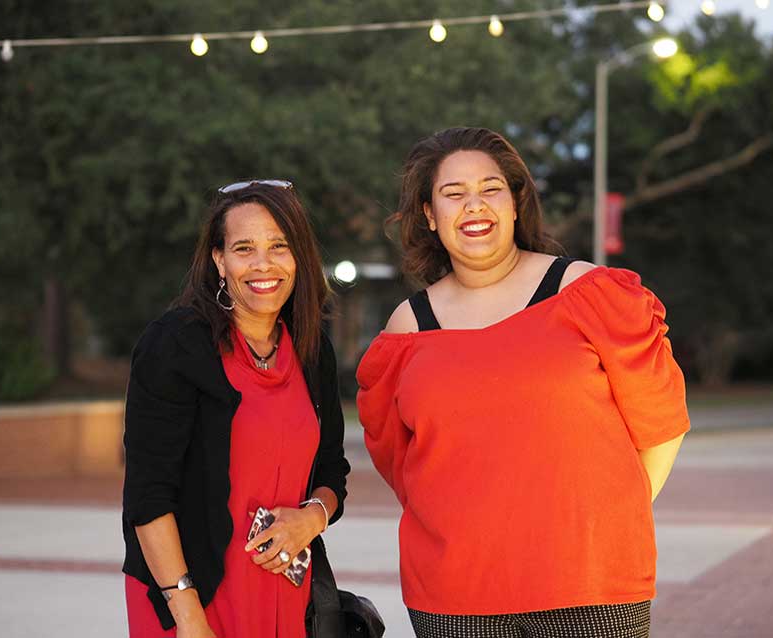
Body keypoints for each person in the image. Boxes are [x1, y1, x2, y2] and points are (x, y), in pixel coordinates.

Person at [356, 127, 690, 638]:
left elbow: (661, 424)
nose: (474, 206)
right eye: (453, 194)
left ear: (515, 203)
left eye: (490, 189)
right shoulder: (408, 327)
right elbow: (400, 461)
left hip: (590, 588)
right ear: (429, 214)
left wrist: (600, 524)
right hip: (454, 597)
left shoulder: (587, 293)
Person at [122, 180, 350, 638]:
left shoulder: (311, 350)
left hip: (286, 592)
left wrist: (311, 518)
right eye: (244, 248)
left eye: (279, 246)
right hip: (192, 595)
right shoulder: (177, 344)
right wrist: (187, 615)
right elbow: (148, 496)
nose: (263, 264)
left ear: (299, 258)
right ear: (219, 261)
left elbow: (331, 472)